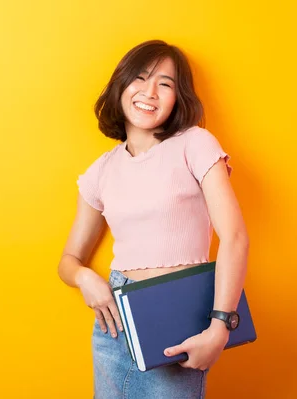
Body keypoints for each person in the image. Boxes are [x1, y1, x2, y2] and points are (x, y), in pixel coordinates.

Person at [57, 40, 250, 399]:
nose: (150, 92)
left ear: (179, 97)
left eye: (165, 84)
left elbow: (235, 237)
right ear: (121, 85)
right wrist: (86, 279)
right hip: (114, 323)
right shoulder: (101, 171)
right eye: (140, 78)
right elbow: (68, 261)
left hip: (178, 317)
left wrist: (221, 325)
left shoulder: (196, 144)